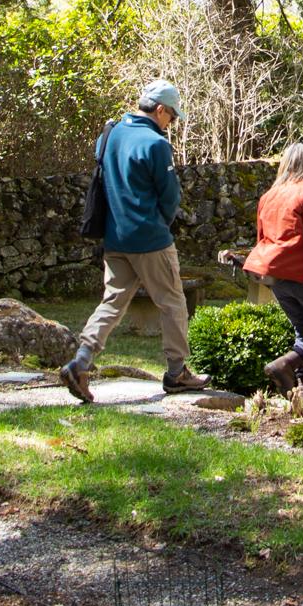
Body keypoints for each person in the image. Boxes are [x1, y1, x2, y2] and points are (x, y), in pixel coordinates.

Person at [59, 80, 207, 403]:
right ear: (160, 110)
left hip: (115, 238)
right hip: (151, 238)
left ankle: (80, 362)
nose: (172, 123)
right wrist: (161, 224)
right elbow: (170, 197)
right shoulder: (155, 145)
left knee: (112, 303)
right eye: (172, 116)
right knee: (173, 302)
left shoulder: (110, 135)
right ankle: (177, 372)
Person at [241, 143, 303, 410]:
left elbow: (262, 239)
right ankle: (283, 364)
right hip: (302, 275)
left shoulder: (268, 196)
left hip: (274, 275)